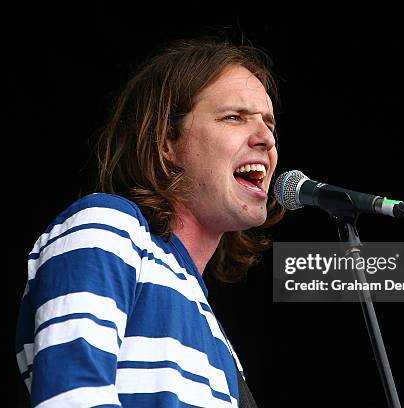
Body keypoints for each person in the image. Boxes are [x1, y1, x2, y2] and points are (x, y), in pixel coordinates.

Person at [15, 36, 284, 407]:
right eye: (234, 117)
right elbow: (71, 397)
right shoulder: (108, 227)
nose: (266, 139)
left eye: (269, 124)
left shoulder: (214, 335)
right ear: (165, 142)